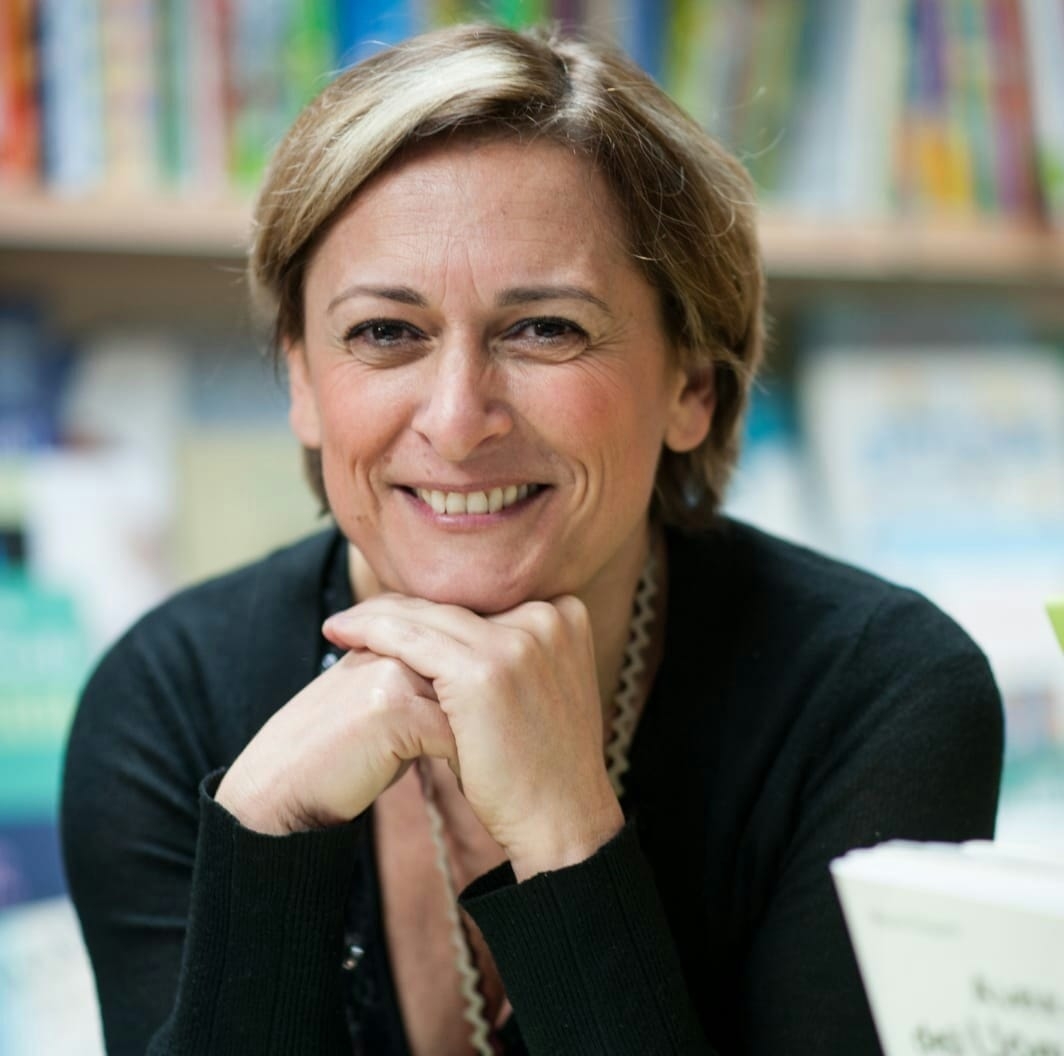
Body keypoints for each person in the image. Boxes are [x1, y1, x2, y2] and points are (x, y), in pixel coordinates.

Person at [61, 21, 1003, 1056]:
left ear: (691, 385)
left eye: (545, 328)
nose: (458, 420)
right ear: (302, 383)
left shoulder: (876, 697)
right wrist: (270, 844)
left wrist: (566, 839)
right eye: (386, 333)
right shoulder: (170, 700)